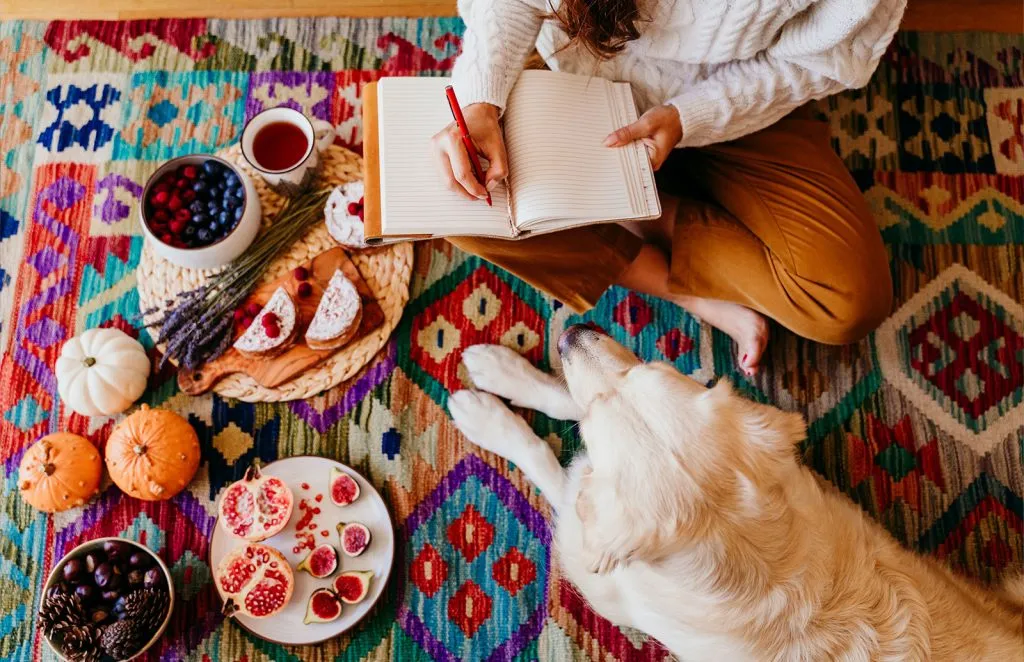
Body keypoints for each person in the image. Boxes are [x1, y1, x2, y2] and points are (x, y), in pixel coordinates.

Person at [431, 0, 905, 375]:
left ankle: (627, 211)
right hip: (577, 64)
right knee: (455, 199)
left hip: (736, 97)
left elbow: (813, 60)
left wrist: (692, 115)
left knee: (849, 303)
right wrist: (481, 102)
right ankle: (679, 287)